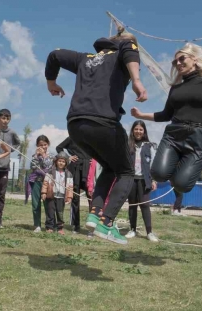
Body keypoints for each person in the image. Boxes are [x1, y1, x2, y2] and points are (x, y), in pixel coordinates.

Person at [44, 27, 147, 245]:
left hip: (75, 125)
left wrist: (51, 83)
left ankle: (94, 214)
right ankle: (107, 223)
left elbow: (55, 54)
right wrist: (136, 80)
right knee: (127, 171)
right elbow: (130, 48)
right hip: (102, 123)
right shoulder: (124, 49)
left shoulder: (85, 58)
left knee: (110, 167)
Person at [131, 43, 202, 196]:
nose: (178, 63)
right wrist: (140, 115)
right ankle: (176, 162)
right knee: (158, 174)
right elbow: (165, 115)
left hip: (198, 138)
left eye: (181, 59)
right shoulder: (176, 88)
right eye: (174, 62)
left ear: (194, 59)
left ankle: (183, 169)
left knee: (182, 185)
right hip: (174, 135)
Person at [124, 121, 158, 242]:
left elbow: (153, 164)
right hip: (131, 180)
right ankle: (132, 229)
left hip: (144, 181)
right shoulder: (128, 145)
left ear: (144, 131)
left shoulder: (149, 146)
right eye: (136, 129)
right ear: (133, 130)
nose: (138, 131)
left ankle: (149, 232)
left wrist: (153, 180)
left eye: (141, 129)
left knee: (144, 205)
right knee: (132, 205)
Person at [56, 136, 91, 234]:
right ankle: (76, 225)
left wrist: (95, 160)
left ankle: (92, 227)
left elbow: (100, 152)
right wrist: (68, 157)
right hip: (75, 169)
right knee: (75, 197)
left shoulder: (93, 137)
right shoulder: (72, 137)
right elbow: (59, 148)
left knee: (91, 196)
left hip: (88, 169)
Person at [0, 109, 20, 228]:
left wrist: (10, 150)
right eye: (3, 118)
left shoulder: (12, 132)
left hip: (4, 167)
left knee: (1, 194)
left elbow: (18, 143)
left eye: (7, 118)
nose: (5, 121)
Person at [41, 152, 74, 235]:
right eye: (59, 161)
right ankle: (50, 227)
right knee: (50, 212)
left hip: (61, 197)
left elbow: (70, 187)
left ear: (66, 163)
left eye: (63, 161)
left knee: (60, 213)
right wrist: (44, 192)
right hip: (51, 195)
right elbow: (45, 183)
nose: (61, 163)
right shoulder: (50, 172)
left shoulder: (69, 174)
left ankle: (60, 228)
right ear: (56, 161)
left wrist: (69, 197)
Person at [29, 135, 54, 233]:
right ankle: (37, 225)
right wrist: (36, 156)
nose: (43, 147)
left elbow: (48, 167)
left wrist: (44, 156)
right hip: (36, 181)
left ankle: (49, 225)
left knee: (48, 204)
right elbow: (33, 167)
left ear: (48, 144)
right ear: (37, 145)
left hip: (47, 183)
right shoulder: (34, 156)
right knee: (36, 204)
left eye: (45, 144)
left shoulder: (51, 156)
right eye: (40, 145)